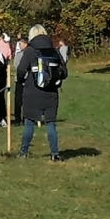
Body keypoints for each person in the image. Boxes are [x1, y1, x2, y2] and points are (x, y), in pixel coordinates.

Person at [16, 24, 66, 161]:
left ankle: (24, 151)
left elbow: (21, 70)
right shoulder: (54, 51)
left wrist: (21, 81)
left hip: (32, 91)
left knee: (29, 123)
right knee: (50, 124)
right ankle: (55, 154)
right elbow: (64, 72)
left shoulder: (30, 51)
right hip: (51, 93)